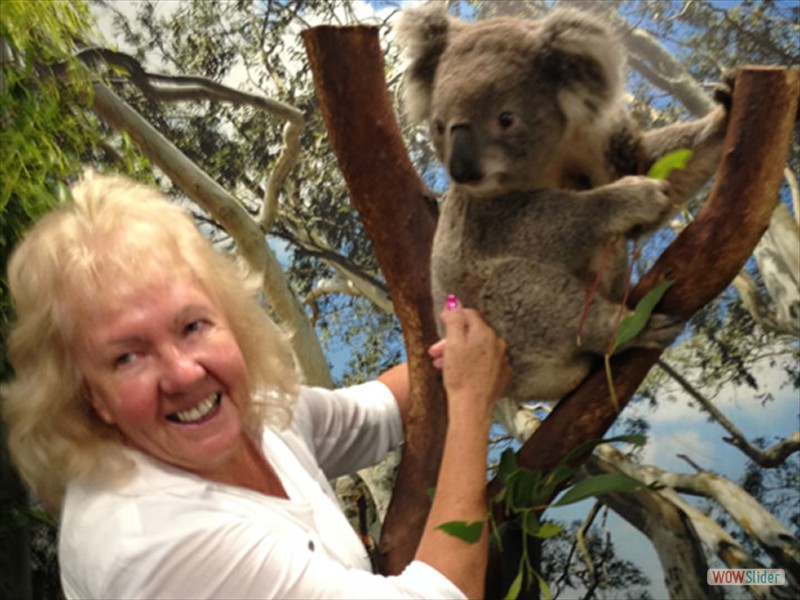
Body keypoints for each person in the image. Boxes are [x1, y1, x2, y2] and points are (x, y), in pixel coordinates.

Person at [2, 171, 510, 599]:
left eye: (193, 326)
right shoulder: (156, 545)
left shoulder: (252, 413)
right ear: (90, 395)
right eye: (128, 356)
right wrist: (471, 406)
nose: (183, 373)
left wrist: (476, 342)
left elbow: (375, 411)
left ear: (230, 319)